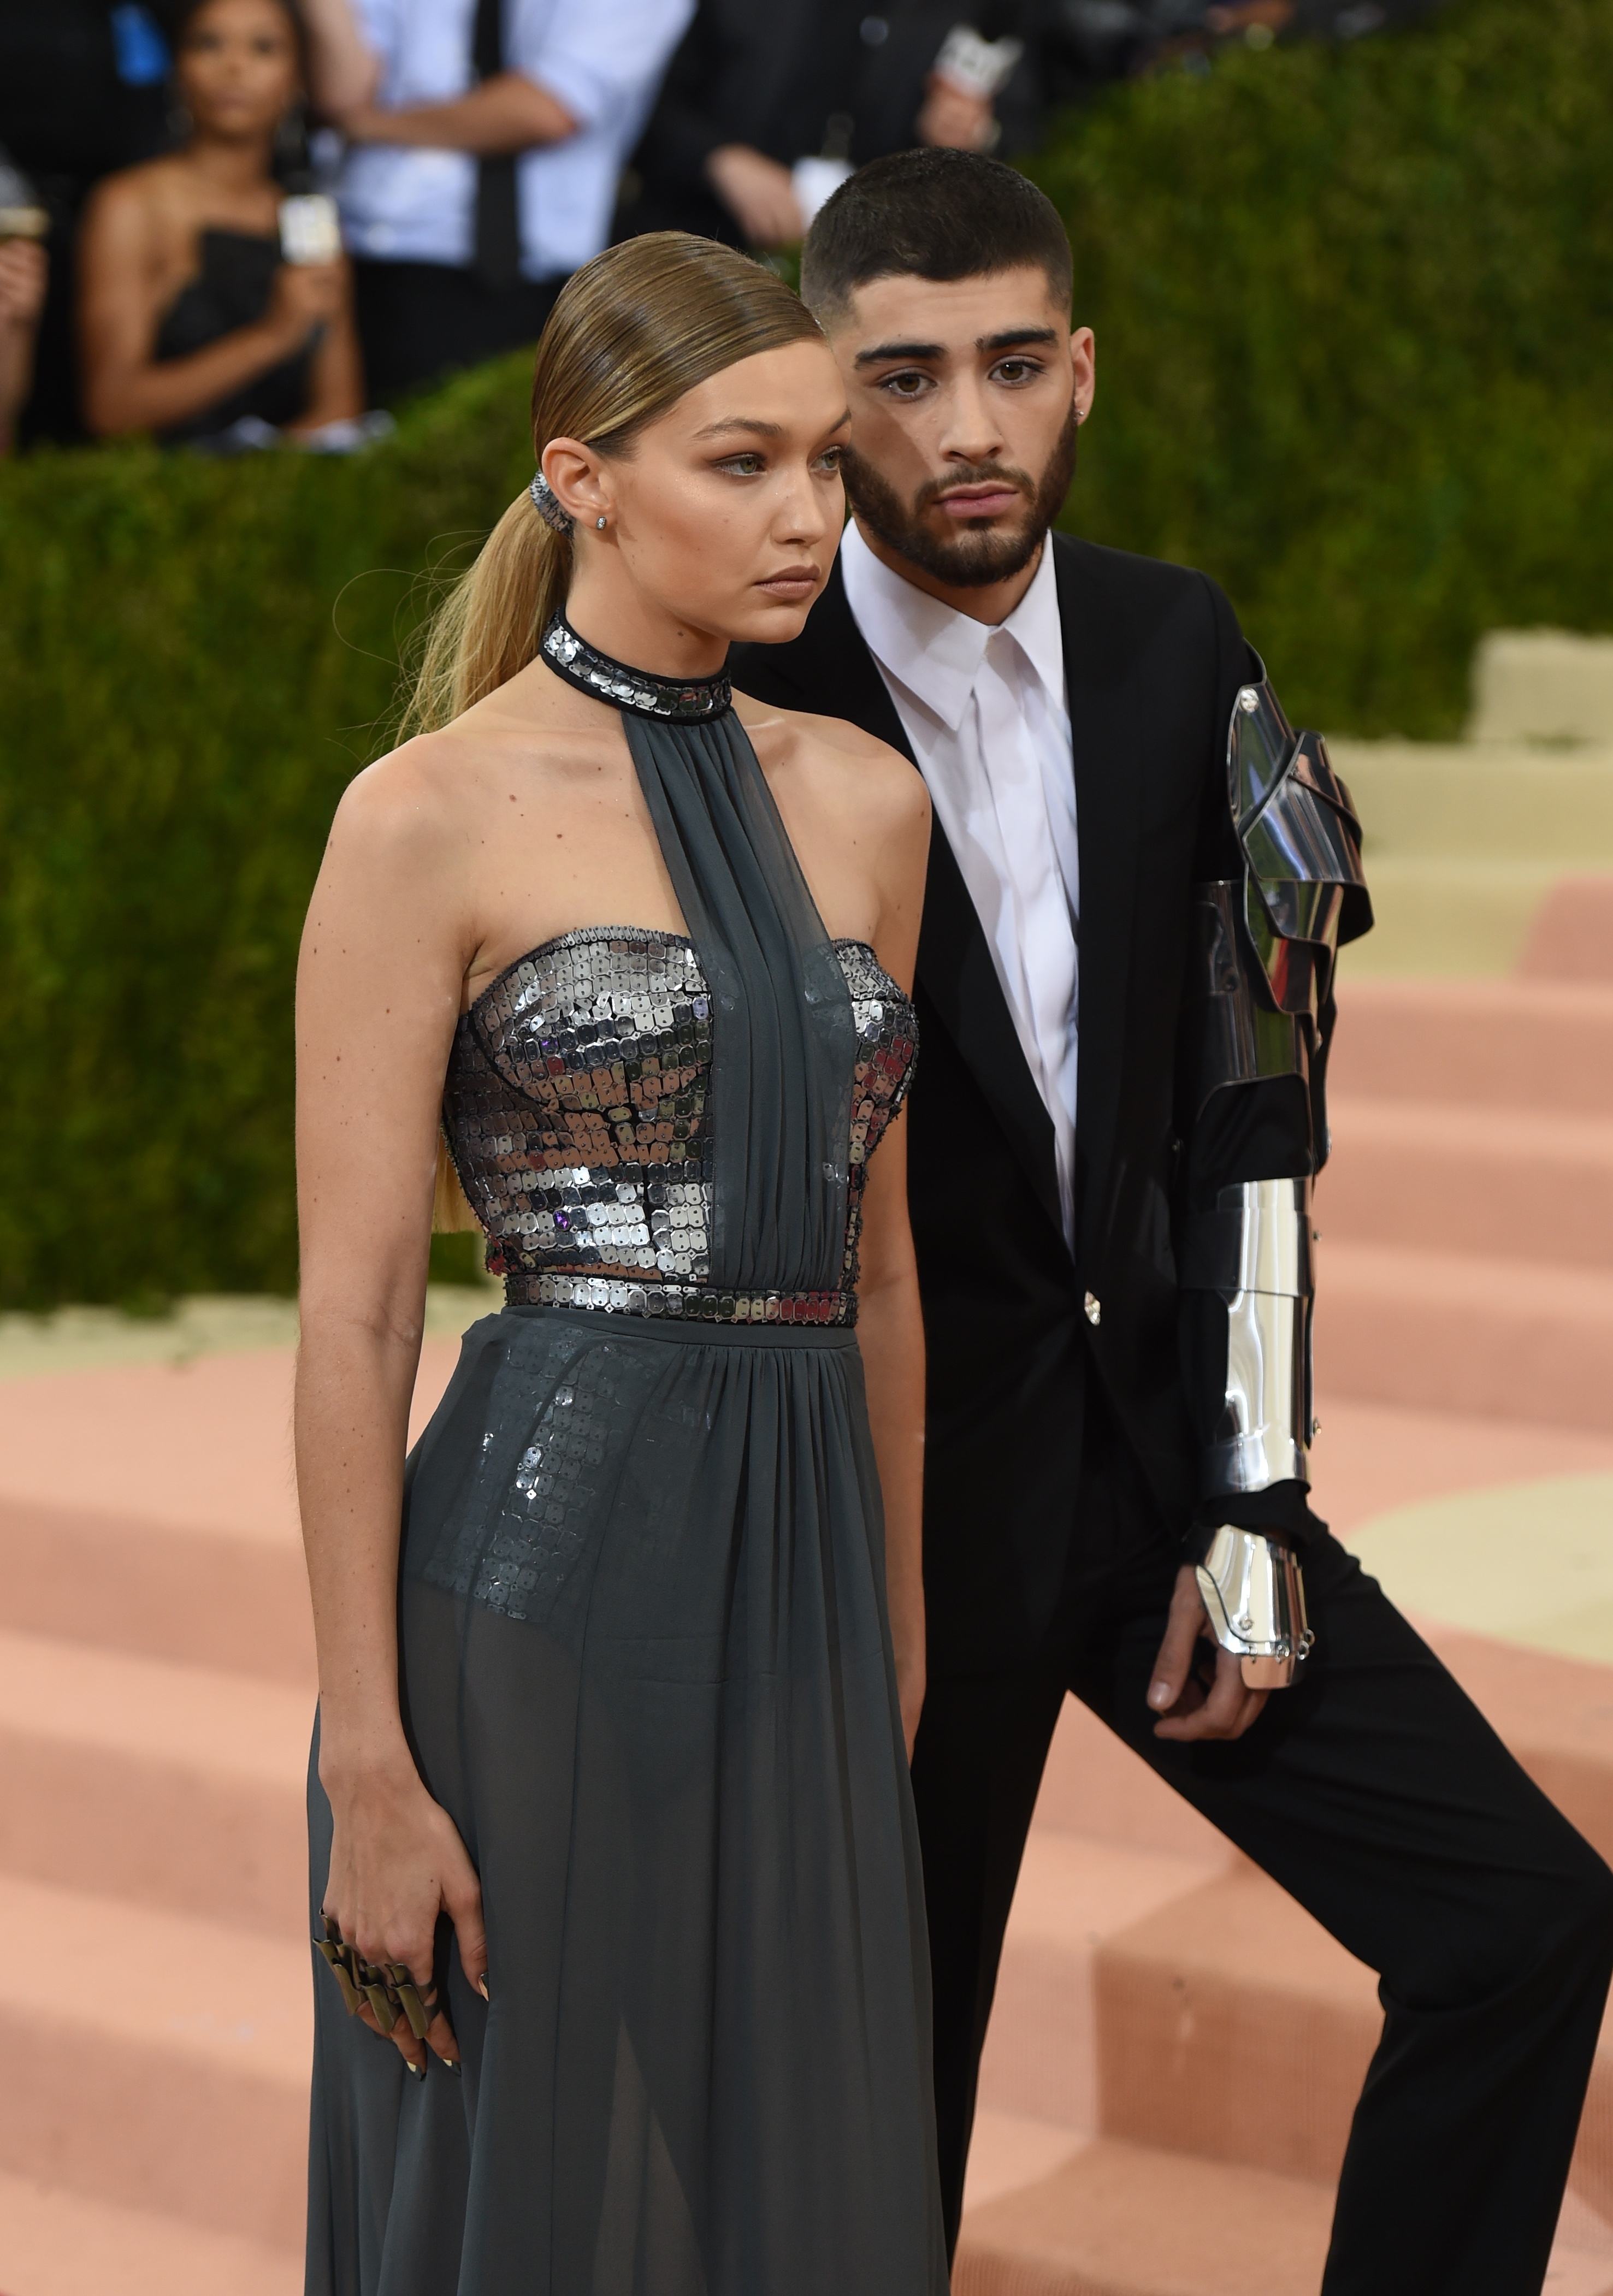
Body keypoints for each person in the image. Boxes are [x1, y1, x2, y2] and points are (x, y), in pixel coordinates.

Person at [732, 147, 1613, 2292]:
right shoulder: (748, 701)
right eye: (906, 376)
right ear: (830, 394)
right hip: (883, 1525)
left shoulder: (1168, 637)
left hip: (1153, 1491)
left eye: (1013, 365)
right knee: (875, 2129)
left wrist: (1258, 1499)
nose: (965, 428)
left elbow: (1257, 1109)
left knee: (1522, 1921)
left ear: (1082, 369)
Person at [296, 228, 947, 2294]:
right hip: (541, 1572)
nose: (808, 518)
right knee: (555, 2177)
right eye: (740, 463)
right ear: (580, 477)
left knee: (783, 2163)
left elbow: (892, 1271)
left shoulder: (865, 801)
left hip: (809, 1555)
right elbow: (361, 1312)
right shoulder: (426, 815)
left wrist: (903, 1627)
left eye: (829, 466)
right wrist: (369, 1765)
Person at [299, 0, 693, 406]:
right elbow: (341, 94)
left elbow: (546, 110)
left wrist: (367, 125)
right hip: (351, 248)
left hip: (511, 276)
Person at [78, 0, 363, 448]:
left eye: (264, 48)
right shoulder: (131, 205)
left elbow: (339, 409)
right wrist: (271, 336)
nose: (235, 66)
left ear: (298, 80)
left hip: (276, 499)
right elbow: (112, 408)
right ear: (177, 66)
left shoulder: (308, 217)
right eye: (209, 44)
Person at [618, 1, 1033, 254]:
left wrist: (971, 132)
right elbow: (642, 102)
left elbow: (1023, 114)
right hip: (703, 241)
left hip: (880, 260)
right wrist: (720, 161)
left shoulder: (975, 9)